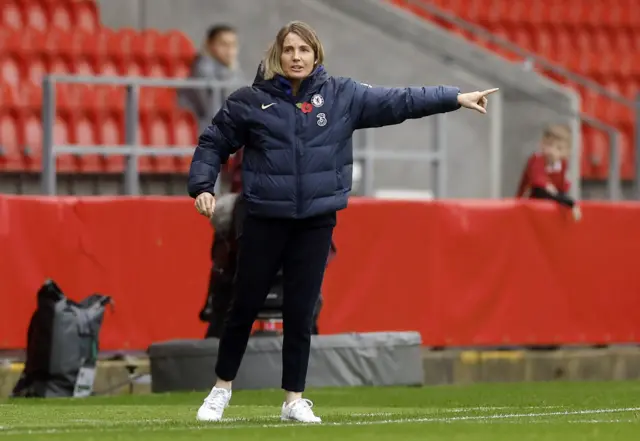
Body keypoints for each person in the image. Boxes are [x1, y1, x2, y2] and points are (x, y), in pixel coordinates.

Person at [188, 20, 498, 424]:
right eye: (289, 50)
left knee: (301, 312)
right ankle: (221, 390)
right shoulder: (249, 101)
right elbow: (213, 142)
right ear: (277, 56)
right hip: (264, 216)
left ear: (316, 55)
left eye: (304, 49)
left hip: (316, 221)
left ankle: (293, 400)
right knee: (243, 306)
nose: (296, 57)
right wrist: (201, 185)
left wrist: (455, 98)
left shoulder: (341, 96)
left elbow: (401, 100)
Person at [178, 24, 245, 132]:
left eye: (233, 45)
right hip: (200, 130)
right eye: (224, 44)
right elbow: (213, 112)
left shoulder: (232, 69)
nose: (230, 50)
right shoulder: (202, 69)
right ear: (210, 45)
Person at [516, 124, 582, 221]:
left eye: (559, 148)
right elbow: (539, 184)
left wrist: (568, 201)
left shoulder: (562, 165)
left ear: (567, 152)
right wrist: (568, 202)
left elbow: (561, 188)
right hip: (527, 208)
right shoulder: (537, 159)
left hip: (545, 210)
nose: (552, 151)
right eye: (549, 145)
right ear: (542, 144)